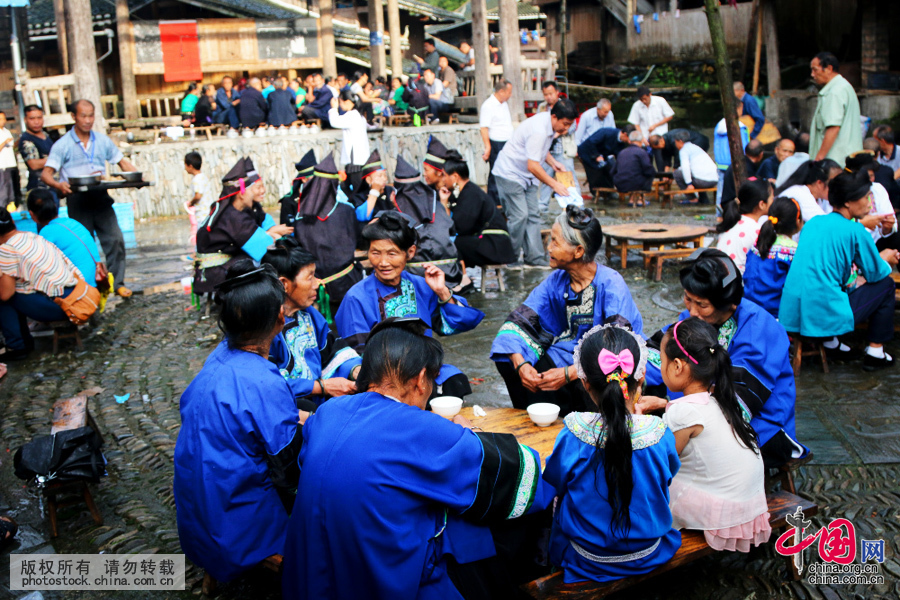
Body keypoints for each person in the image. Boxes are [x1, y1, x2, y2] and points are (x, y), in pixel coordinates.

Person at [282, 317, 551, 600]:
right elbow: (520, 471)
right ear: (422, 379)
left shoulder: (329, 412)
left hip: (310, 577)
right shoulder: (419, 428)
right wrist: (467, 433)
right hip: (379, 582)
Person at [174, 261, 307, 583]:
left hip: (197, 509)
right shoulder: (261, 380)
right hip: (233, 519)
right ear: (280, 317)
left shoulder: (220, 357)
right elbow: (288, 468)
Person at [642, 249, 806, 468]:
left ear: (730, 304)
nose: (691, 311)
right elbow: (655, 355)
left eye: (702, 304)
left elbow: (737, 407)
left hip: (761, 427)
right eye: (687, 299)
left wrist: (668, 406)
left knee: (676, 448)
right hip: (695, 409)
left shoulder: (760, 329)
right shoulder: (693, 318)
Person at [542, 323, 680, 583]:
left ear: (584, 383)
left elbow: (553, 482)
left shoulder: (574, 433)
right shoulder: (659, 433)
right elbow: (669, 476)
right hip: (648, 552)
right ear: (641, 379)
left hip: (588, 558)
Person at [491, 207, 644, 416]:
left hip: (614, 356)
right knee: (513, 360)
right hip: (569, 352)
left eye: (555, 241)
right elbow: (520, 323)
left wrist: (570, 373)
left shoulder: (611, 283)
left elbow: (618, 348)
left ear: (578, 251)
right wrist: (521, 365)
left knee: (596, 381)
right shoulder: (558, 280)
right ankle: (539, 425)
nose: (548, 247)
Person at [335, 212, 484, 398]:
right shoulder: (356, 297)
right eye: (375, 253)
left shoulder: (421, 286)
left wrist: (442, 292)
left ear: (410, 252)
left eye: (392, 253)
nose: (383, 262)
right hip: (381, 381)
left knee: (454, 382)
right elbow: (355, 354)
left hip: (424, 374)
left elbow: (458, 325)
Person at [659, 317, 771, 552]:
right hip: (750, 505)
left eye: (662, 361)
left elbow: (664, 465)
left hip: (722, 514)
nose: (661, 367)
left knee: (651, 485)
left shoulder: (682, 412)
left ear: (678, 366)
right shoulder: (720, 397)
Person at [780, 171, 899, 370]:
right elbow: (876, 273)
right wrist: (885, 258)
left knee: (834, 283)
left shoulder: (814, 223)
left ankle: (832, 344)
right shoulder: (855, 230)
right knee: (886, 285)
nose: (870, 203)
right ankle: (876, 352)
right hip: (823, 312)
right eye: (865, 197)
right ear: (848, 203)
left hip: (793, 311)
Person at [41, 99, 137, 298]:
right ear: (73, 117)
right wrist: (59, 185)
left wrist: (136, 176)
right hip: (78, 200)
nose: (87, 120)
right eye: (83, 115)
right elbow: (46, 174)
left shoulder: (102, 141)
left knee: (115, 240)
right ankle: (88, 288)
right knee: (82, 245)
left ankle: (117, 283)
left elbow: (122, 163)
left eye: (91, 115)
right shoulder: (63, 145)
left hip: (101, 198)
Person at [263, 238, 361, 405]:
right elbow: (267, 384)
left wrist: (355, 369)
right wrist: (321, 387)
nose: (318, 284)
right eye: (310, 277)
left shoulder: (309, 315)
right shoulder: (264, 328)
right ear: (284, 284)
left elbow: (333, 352)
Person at [0, 208, 96, 360]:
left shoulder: (6, 250)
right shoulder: (32, 236)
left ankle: (18, 346)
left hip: (65, 306)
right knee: (17, 287)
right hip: (82, 295)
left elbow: (6, 294)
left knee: (4, 297)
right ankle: (22, 342)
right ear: (12, 221)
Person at [493, 100, 576, 268]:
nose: (566, 129)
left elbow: (539, 151)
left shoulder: (550, 126)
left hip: (526, 176)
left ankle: (534, 257)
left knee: (533, 214)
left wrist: (553, 163)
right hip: (510, 173)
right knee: (519, 215)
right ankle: (510, 257)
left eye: (569, 125)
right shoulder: (539, 129)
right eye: (565, 124)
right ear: (554, 117)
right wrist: (554, 184)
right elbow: (533, 165)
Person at [193, 157, 293, 294]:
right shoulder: (233, 217)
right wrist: (272, 236)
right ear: (241, 193)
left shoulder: (233, 212)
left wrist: (270, 234)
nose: (254, 194)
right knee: (270, 262)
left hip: (216, 268)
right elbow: (263, 248)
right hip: (216, 273)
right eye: (252, 190)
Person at [293, 154, 364, 311]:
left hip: (315, 287)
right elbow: (358, 241)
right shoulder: (346, 211)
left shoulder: (300, 218)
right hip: (347, 283)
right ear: (334, 186)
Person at [390, 155, 463, 284]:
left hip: (418, 273)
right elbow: (451, 231)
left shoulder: (398, 214)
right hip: (451, 271)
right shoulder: (437, 206)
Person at [439, 149, 515, 268]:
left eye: (444, 175)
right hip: (489, 243)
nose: (443, 180)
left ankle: (463, 280)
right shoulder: (463, 192)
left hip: (494, 245)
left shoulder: (471, 194)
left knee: (452, 244)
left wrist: (445, 204)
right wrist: (445, 201)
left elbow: (459, 227)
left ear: (454, 177)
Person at [27, 188, 102, 288]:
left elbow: (41, 267)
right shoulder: (72, 222)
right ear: (54, 205)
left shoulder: (47, 232)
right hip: (97, 281)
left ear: (32, 214)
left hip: (82, 289)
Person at [744, 197, 802, 319]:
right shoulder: (794, 251)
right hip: (777, 315)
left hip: (749, 310)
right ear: (798, 222)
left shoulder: (757, 245)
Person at [809, 52, 862, 166]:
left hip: (835, 162)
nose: (813, 74)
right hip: (847, 159)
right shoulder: (844, 86)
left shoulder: (834, 92)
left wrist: (819, 159)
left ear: (828, 69)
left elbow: (833, 128)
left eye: (815, 70)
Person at [536, 82, 581, 212]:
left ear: (557, 92)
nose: (548, 97)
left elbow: (570, 127)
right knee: (545, 179)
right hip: (547, 150)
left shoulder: (566, 106)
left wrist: (554, 134)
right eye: (545, 94)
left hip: (563, 149)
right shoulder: (542, 107)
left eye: (551, 94)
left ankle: (577, 206)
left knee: (569, 178)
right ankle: (542, 207)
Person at [716, 178, 773, 273]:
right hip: (739, 284)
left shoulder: (732, 222)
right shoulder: (756, 230)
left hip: (721, 280)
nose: (773, 201)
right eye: (771, 198)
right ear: (762, 204)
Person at [844, 151, 897, 249]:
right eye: (866, 176)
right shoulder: (842, 191)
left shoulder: (877, 188)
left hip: (875, 243)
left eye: (872, 176)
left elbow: (889, 221)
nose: (870, 180)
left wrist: (887, 227)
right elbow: (835, 226)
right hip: (849, 242)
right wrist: (861, 222)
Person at [479, 79, 514, 205]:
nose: (510, 95)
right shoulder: (488, 105)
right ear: (501, 91)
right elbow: (484, 128)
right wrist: (487, 147)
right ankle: (493, 202)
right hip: (496, 142)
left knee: (507, 172)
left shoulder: (503, 104)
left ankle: (504, 199)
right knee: (495, 173)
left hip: (507, 141)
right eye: (508, 92)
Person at [774, 159, 842, 222]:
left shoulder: (822, 198)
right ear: (819, 183)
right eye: (835, 184)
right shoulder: (799, 194)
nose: (838, 188)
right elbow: (826, 224)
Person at [18, 105, 56, 198]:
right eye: (32, 118)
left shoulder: (46, 135)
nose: (36, 122)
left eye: (39, 118)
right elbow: (33, 164)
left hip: (54, 185)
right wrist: (58, 158)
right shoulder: (26, 139)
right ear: (25, 120)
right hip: (39, 188)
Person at [713, 117, 749, 210]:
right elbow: (743, 145)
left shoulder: (718, 126)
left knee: (721, 190)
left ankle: (719, 214)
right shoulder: (740, 128)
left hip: (721, 163)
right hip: (735, 163)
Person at [674, 130, 718, 204]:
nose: (675, 144)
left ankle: (692, 199)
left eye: (676, 142)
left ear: (680, 141)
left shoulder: (684, 150)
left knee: (677, 173)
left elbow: (685, 167)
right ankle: (703, 199)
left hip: (703, 182)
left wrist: (689, 184)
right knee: (696, 174)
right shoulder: (695, 147)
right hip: (714, 180)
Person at [611, 130, 656, 202]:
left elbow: (612, 171)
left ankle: (631, 199)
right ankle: (640, 200)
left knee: (634, 175)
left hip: (620, 184)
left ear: (629, 141)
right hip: (635, 184)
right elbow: (648, 169)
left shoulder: (622, 152)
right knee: (649, 174)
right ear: (641, 140)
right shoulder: (641, 152)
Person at [329, 90, 370, 167]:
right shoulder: (357, 114)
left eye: (340, 102)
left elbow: (334, 122)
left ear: (347, 102)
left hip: (355, 156)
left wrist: (334, 108)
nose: (340, 105)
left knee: (354, 177)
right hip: (359, 155)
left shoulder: (352, 115)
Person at [720, 139, 764, 208]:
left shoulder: (740, 163)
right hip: (733, 206)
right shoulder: (746, 169)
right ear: (761, 154)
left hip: (728, 203)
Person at [184, 151, 210, 246]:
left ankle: (199, 254)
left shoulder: (196, 179)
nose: (185, 168)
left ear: (190, 166)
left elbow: (198, 195)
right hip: (208, 211)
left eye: (185, 165)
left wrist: (191, 203)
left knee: (200, 236)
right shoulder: (203, 177)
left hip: (202, 213)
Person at [0, 112, 15, 209]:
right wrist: (5, 142)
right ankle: (2, 207)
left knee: (10, 186)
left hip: (10, 163)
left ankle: (11, 205)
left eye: (4, 118)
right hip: (1, 164)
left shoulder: (6, 131)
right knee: (2, 187)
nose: (3, 121)